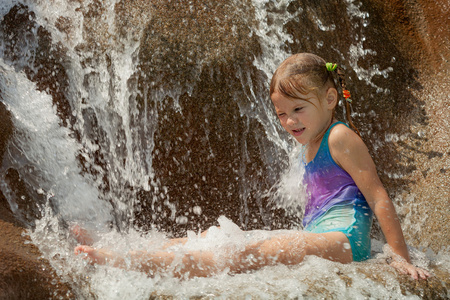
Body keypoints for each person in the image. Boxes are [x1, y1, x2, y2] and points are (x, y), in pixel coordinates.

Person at [75, 53, 430, 280]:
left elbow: (378, 195)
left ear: (330, 99)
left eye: (298, 110)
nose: (289, 121)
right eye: (281, 114)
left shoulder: (338, 137)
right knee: (212, 238)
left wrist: (400, 257)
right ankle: (120, 250)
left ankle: (119, 262)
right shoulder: (308, 145)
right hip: (323, 237)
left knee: (241, 253)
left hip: (346, 241)